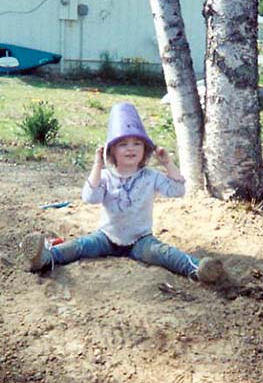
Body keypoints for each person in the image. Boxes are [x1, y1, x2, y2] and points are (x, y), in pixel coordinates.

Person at [21, 101, 226, 284]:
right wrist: (97, 165)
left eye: (137, 143)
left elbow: (178, 191)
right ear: (111, 151)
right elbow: (90, 198)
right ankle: (45, 258)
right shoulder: (105, 177)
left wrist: (168, 163)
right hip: (106, 237)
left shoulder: (150, 176)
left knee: (164, 253)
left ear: (145, 150)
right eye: (123, 144)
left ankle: (197, 268)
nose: (131, 149)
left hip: (140, 240)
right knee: (79, 246)